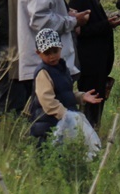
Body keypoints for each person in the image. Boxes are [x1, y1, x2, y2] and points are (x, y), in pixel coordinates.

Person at [26, 29, 102, 158]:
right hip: (48, 124)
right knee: (49, 156)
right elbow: (47, 101)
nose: (52, 56)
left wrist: (81, 97)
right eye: (47, 53)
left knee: (67, 154)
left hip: (62, 121)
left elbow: (64, 93)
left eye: (55, 51)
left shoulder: (62, 68)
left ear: (61, 48)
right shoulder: (43, 72)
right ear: (38, 53)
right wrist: (66, 115)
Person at [68, 0, 120, 128]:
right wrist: (106, 25)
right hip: (89, 64)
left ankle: (93, 132)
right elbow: (79, 31)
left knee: (96, 104)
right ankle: (87, 134)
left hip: (98, 64)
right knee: (90, 105)